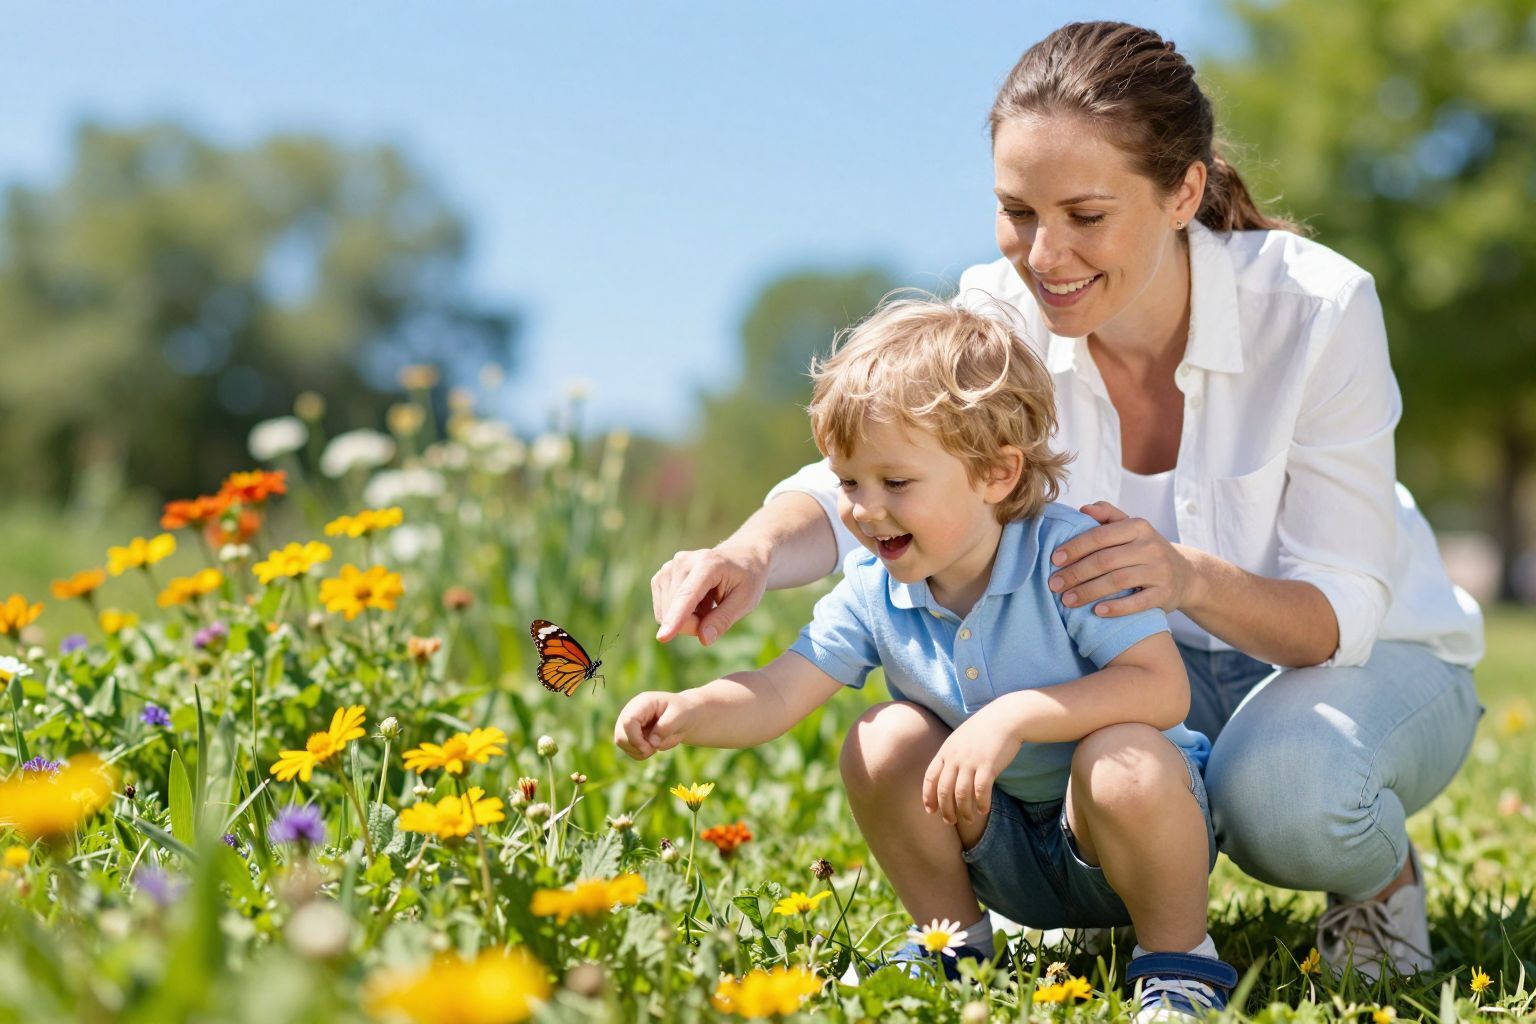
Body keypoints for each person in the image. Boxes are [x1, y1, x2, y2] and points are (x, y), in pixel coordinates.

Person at [650, 21, 1483, 981]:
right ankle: (1081, 888)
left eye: (1086, 215)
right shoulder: (999, 309)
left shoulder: (1317, 308)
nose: (1044, 256)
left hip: (1352, 657)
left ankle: (1374, 882)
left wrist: (1184, 576)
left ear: (1183, 192)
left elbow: (1340, 611)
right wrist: (749, 553)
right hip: (1120, 668)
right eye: (1016, 212)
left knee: (1292, 795)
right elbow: (885, 477)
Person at [620, 298, 1240, 1019]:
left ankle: (1177, 964)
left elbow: (1161, 691)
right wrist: (687, 712)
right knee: (881, 736)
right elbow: (776, 693)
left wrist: (1013, 716)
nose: (865, 510)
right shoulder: (874, 591)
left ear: (996, 474)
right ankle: (954, 946)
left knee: (1124, 755)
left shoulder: (1071, 558)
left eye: (896, 483)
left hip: (1127, 834)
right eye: (849, 482)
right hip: (994, 841)